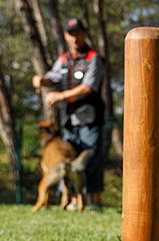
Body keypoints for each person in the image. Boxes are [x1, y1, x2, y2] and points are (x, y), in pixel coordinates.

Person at [32, 18, 105, 211]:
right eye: (70, 34)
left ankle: (95, 201)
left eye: (77, 33)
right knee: (69, 160)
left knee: (90, 158)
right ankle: (73, 200)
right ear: (65, 36)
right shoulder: (64, 59)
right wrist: (42, 80)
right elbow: (53, 77)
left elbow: (89, 87)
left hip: (90, 117)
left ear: (84, 34)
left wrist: (61, 95)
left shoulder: (93, 58)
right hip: (69, 120)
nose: (74, 38)